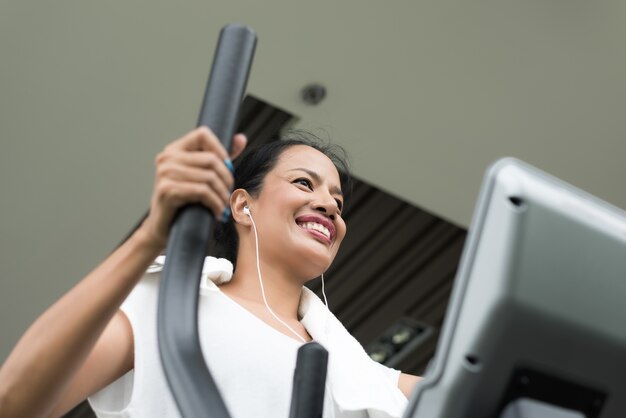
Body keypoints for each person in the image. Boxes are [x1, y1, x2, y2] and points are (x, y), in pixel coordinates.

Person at [0, 127, 421, 418]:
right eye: (304, 184)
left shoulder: (357, 371)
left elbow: (473, 390)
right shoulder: (170, 307)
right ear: (242, 206)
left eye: (338, 201)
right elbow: (14, 403)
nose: (330, 205)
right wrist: (152, 235)